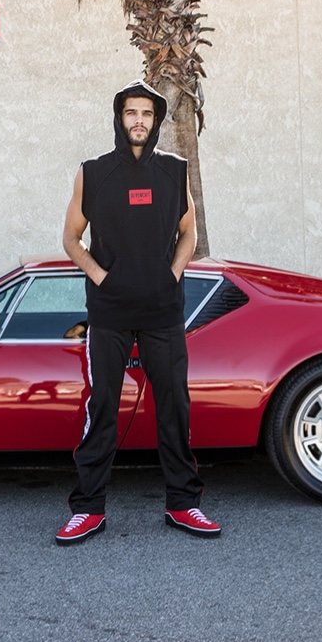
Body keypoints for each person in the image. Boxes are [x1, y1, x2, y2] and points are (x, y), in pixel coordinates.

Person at [56, 79, 221, 544]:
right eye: (131, 113)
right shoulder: (93, 172)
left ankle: (183, 504)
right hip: (108, 311)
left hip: (163, 310)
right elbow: (71, 238)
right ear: (119, 117)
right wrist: (102, 277)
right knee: (102, 406)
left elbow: (189, 232)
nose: (139, 121)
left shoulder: (174, 171)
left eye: (147, 114)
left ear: (157, 120)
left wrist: (171, 274)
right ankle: (88, 509)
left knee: (173, 408)